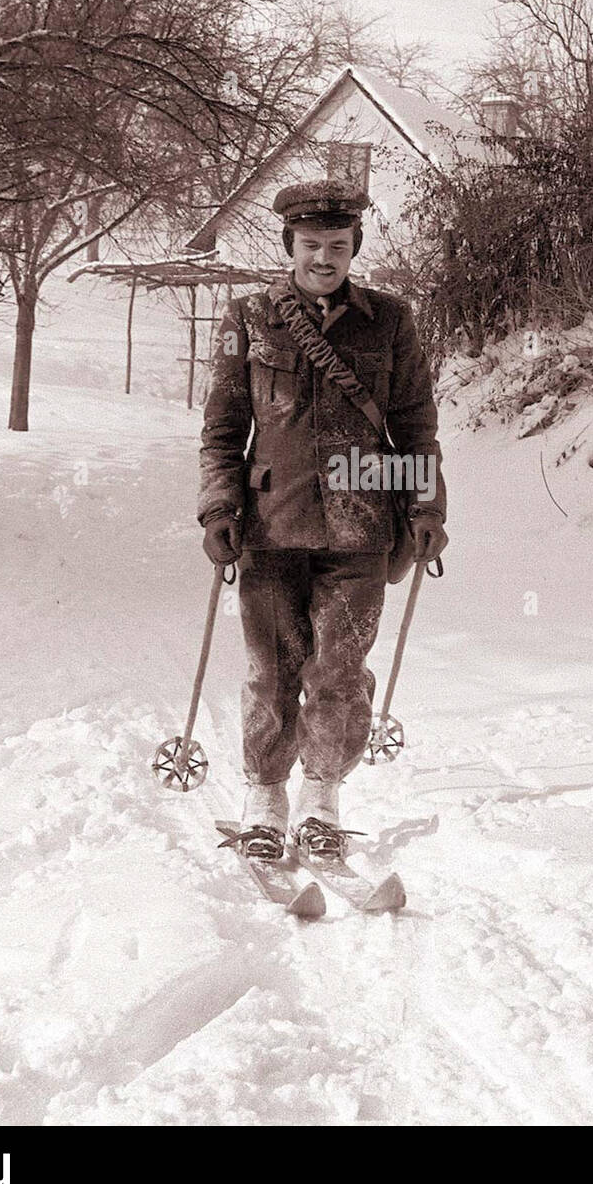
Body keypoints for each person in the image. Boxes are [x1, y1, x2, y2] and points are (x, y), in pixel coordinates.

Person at [197, 179, 447, 861]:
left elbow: (415, 427)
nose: (324, 259)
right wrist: (219, 508)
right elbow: (222, 430)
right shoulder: (248, 319)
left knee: (339, 669)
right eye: (311, 245)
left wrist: (426, 507)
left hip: (362, 528)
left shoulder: (390, 322)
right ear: (291, 246)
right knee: (271, 669)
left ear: (354, 247)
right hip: (271, 526)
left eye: (338, 246)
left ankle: (322, 798)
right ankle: (265, 799)